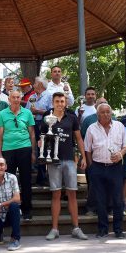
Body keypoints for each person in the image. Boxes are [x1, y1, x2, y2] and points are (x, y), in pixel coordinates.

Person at [41, 92, 88, 241]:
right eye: (57, 101)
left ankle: (76, 228)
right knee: (56, 194)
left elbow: (79, 138)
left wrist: (83, 156)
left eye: (62, 101)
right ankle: (54, 229)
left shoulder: (72, 118)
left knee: (72, 194)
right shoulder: (47, 119)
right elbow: (42, 138)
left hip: (69, 160)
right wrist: (42, 147)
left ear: (65, 102)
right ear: (53, 103)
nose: (60, 104)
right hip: (54, 162)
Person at [84, 103, 126, 239]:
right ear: (98, 115)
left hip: (115, 168)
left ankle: (118, 230)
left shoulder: (119, 126)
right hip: (97, 167)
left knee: (117, 200)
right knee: (100, 200)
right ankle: (102, 229)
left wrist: (120, 155)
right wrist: (91, 167)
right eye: (102, 112)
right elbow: (87, 149)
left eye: (108, 112)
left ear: (111, 113)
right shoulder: (91, 128)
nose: (105, 114)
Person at [0, 90, 36, 220]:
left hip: (25, 148)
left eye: (18, 97)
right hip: (8, 150)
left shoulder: (27, 113)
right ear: (9, 99)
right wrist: (0, 154)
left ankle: (27, 210)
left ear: (21, 99)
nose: (16, 99)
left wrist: (33, 152)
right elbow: (0, 135)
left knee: (26, 181)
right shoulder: (2, 114)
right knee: (8, 181)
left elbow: (32, 134)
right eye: (13, 97)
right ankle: (10, 210)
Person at [25, 76, 52, 186]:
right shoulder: (32, 96)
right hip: (33, 125)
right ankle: (33, 171)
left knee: (43, 150)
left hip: (44, 125)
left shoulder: (49, 96)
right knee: (33, 148)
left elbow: (51, 111)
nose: (33, 85)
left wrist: (38, 111)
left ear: (40, 85)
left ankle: (42, 176)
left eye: (35, 83)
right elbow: (26, 110)